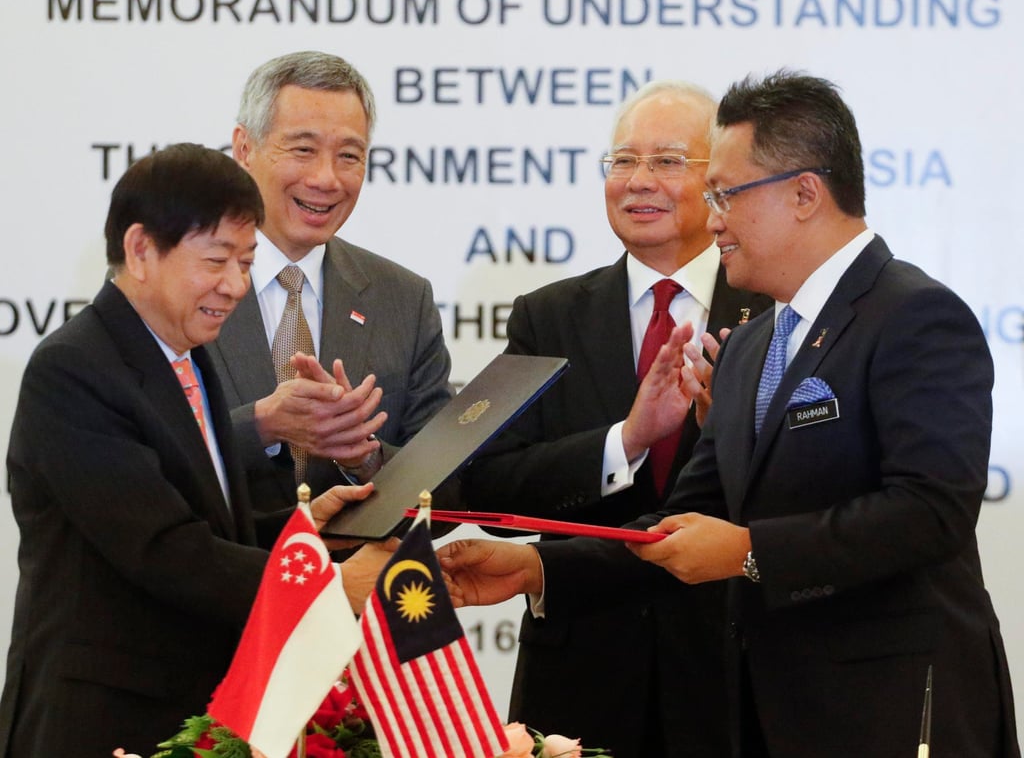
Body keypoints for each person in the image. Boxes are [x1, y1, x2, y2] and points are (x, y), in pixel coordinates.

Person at [442, 71, 1020, 757]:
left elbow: (930, 511)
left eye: (726, 194)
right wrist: (537, 570)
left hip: (892, 711)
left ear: (805, 193)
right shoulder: (751, 344)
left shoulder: (915, 315)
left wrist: (749, 552)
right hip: (769, 717)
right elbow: (680, 519)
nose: (712, 218)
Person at [0, 144, 391, 757]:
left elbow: (202, 514)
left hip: (192, 711)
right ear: (140, 251)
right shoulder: (73, 369)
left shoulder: (187, 353)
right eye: (216, 261)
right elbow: (163, 549)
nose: (235, 286)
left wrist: (300, 533)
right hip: (102, 721)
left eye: (246, 261)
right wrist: (329, 584)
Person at [461, 81, 770, 757]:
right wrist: (623, 441)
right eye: (622, 161)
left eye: (666, 162)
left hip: (733, 676)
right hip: (581, 680)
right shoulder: (549, 315)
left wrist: (732, 434)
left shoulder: (773, 307)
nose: (638, 181)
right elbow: (487, 486)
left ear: (718, 183)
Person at [206, 51, 455, 527]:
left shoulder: (403, 299)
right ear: (243, 148)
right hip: (212, 590)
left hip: (355, 591)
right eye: (302, 149)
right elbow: (135, 456)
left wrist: (364, 456)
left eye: (349, 156)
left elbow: (443, 497)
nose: (326, 178)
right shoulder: (179, 284)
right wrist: (261, 425)